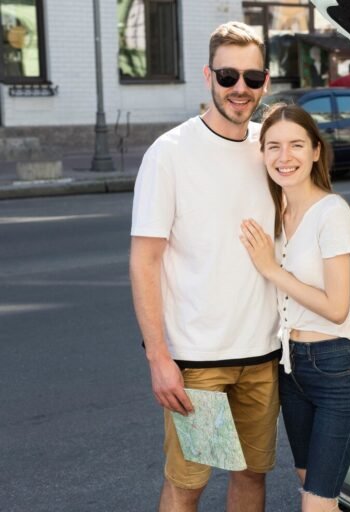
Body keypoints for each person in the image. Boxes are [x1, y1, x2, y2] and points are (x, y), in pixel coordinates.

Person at [130, 21, 280, 512]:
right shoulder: (170, 153)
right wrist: (159, 359)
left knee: (251, 476)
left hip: (262, 355)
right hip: (198, 363)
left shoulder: (271, 151)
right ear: (207, 76)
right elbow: (145, 261)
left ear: (265, 82)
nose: (240, 88)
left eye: (252, 78)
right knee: (188, 485)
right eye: (227, 75)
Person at [239, 104, 350, 512]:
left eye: (296, 145)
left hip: (336, 367)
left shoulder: (332, 213)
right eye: (273, 146)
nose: (285, 156)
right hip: (290, 367)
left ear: (316, 151)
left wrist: (271, 270)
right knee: (310, 485)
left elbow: (337, 307)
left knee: (316, 503)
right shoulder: (277, 211)